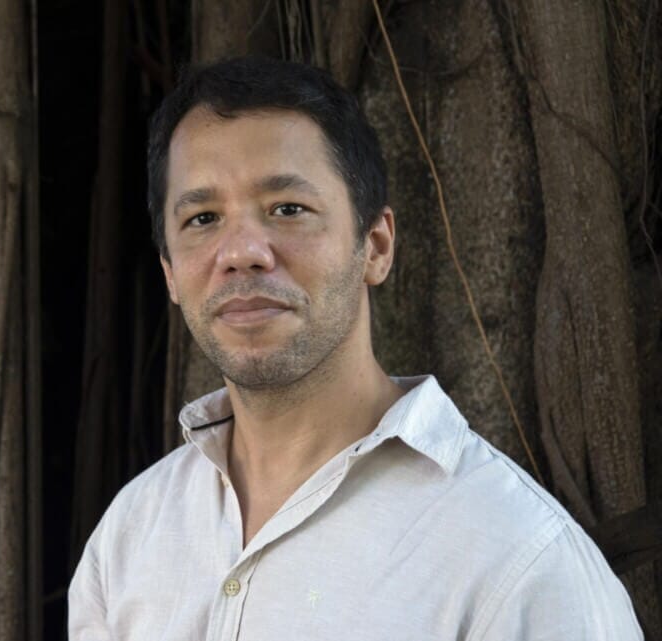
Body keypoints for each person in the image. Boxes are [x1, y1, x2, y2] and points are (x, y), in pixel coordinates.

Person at [68, 56, 643, 640]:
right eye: (203, 217)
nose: (241, 252)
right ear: (169, 272)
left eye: (287, 209)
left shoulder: (520, 562)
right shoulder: (129, 538)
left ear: (376, 246)